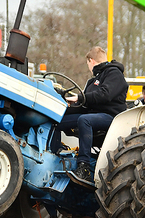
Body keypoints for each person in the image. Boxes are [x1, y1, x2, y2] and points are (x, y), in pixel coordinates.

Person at [50, 46, 128, 182]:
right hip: (93, 114)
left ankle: (83, 167)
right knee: (56, 120)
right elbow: (85, 104)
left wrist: (80, 98)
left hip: (111, 117)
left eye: (88, 64)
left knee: (84, 120)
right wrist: (62, 107)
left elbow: (104, 95)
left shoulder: (114, 74)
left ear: (91, 61)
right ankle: (55, 155)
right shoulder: (93, 81)